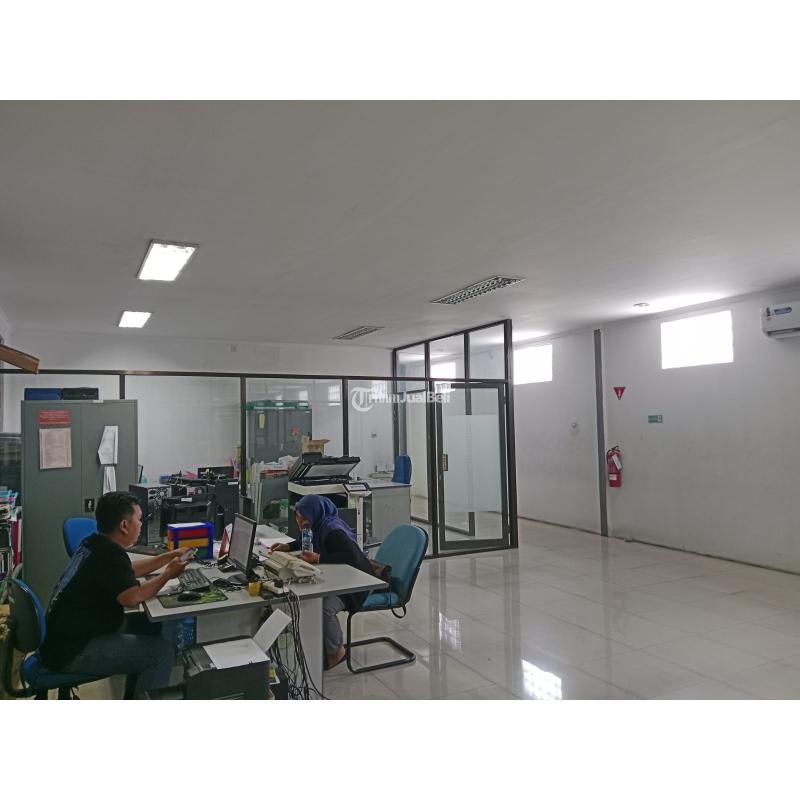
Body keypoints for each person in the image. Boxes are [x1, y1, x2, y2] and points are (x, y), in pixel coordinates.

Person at [39, 490, 191, 699]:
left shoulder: (93, 543)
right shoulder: (110, 554)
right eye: (139, 519)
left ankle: (134, 695)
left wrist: (167, 557)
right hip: (72, 651)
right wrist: (168, 574)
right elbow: (132, 597)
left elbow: (125, 571)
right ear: (124, 525)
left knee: (146, 624)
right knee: (161, 654)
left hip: (60, 640)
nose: (141, 525)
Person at [269, 494, 372, 670]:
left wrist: (318, 558)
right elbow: (306, 541)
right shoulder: (317, 524)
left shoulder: (333, 530)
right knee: (308, 598)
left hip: (357, 584)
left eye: (303, 516)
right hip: (339, 578)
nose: (299, 521)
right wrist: (289, 546)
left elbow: (351, 557)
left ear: (315, 513)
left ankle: (337, 652)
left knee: (324, 607)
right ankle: (318, 642)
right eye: (297, 516)